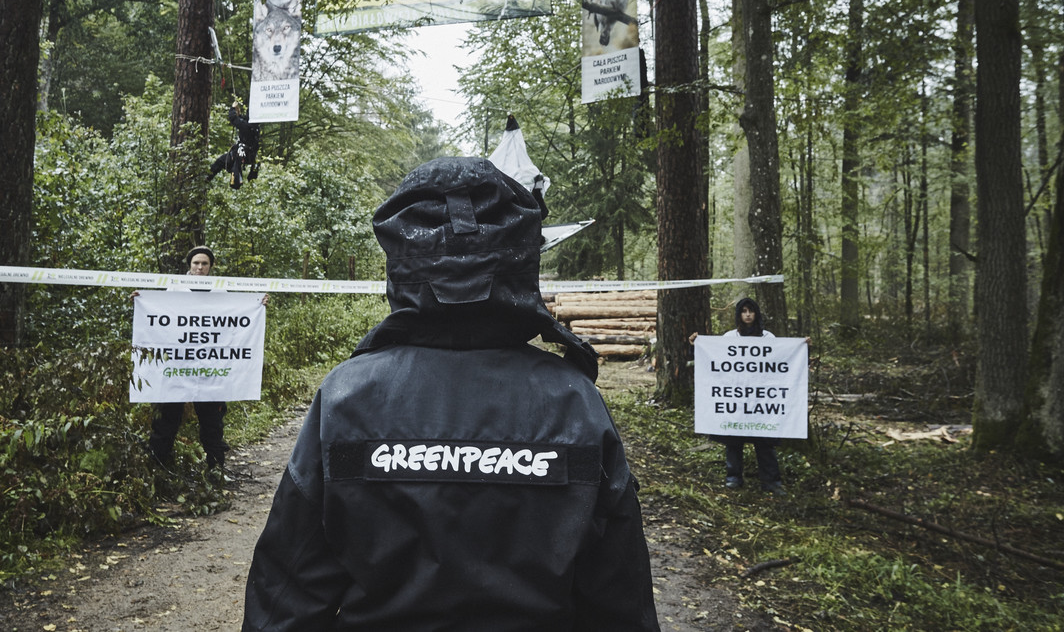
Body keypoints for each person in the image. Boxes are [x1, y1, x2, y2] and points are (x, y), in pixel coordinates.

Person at [242, 158, 660, 631]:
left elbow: (288, 593)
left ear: (401, 263)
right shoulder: (575, 400)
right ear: (521, 261)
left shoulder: (346, 396)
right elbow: (619, 601)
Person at [138, 246, 267, 481]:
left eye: (204, 264)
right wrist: (142, 302)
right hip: (176, 368)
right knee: (166, 420)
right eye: (196, 263)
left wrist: (258, 305)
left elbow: (236, 316)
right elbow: (158, 313)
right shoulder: (174, 287)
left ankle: (216, 469)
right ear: (189, 265)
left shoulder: (220, 289)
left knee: (212, 422)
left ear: (211, 267)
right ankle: (158, 472)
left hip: (209, 368)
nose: (200, 267)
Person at [689, 297, 803, 495]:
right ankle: (733, 478)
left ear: (756, 314)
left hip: (761, 399)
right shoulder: (729, 337)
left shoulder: (768, 338)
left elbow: (782, 360)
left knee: (765, 442)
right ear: (739, 315)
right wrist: (697, 344)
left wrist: (802, 347)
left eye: (751, 311)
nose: (748, 315)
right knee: (734, 440)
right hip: (737, 397)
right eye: (744, 311)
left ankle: (772, 482)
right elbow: (715, 358)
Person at [207, 104, 260, 189]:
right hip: (249, 155)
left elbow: (233, 119)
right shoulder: (255, 126)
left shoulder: (246, 126)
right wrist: (238, 114)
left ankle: (205, 179)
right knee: (222, 163)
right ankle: (207, 179)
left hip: (240, 155)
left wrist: (232, 108)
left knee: (220, 162)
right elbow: (242, 121)